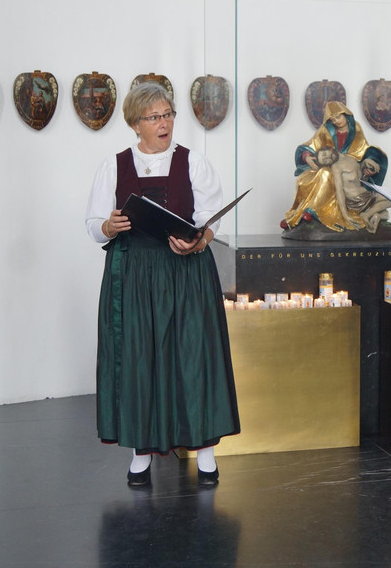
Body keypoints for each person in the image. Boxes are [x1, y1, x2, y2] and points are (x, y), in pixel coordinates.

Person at [85, 82, 240, 487]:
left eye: (168, 114)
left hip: (186, 272)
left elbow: (211, 218)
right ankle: (141, 454)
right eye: (154, 117)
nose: (164, 123)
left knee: (193, 356)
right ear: (135, 124)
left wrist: (199, 241)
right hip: (134, 274)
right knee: (140, 359)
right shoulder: (114, 165)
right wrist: (108, 225)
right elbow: (94, 224)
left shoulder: (194, 162)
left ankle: (205, 454)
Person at [281, 101, 388, 232]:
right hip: (328, 166)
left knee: (325, 175)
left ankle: (310, 212)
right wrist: (307, 157)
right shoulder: (326, 130)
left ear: (345, 114)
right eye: (333, 119)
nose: (336, 121)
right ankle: (305, 212)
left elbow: (363, 151)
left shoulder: (355, 128)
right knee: (304, 179)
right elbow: (312, 146)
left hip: (349, 168)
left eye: (338, 117)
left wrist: (370, 162)